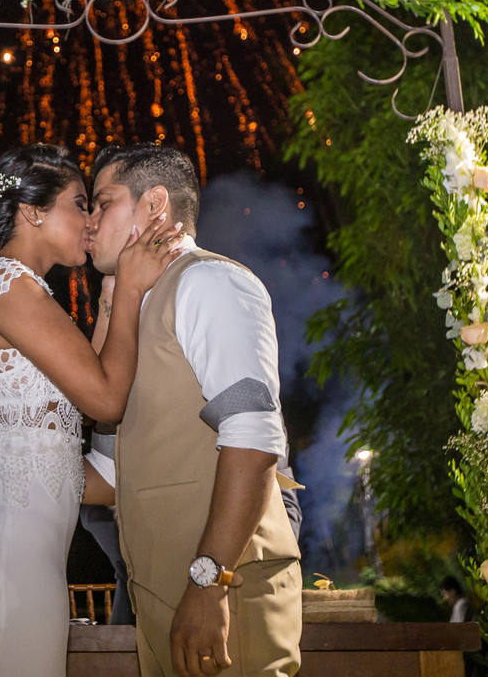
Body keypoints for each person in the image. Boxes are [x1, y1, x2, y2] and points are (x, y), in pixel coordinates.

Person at [0, 145, 181, 677]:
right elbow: (107, 397)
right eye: (80, 203)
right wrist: (131, 286)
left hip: (16, 550)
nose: (91, 220)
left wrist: (112, 282)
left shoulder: (11, 286)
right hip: (5, 554)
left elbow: (81, 397)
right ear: (32, 212)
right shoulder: (8, 285)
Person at [85, 145, 303, 677]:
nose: (87, 221)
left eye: (101, 203)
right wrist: (4, 464)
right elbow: (115, 475)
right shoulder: (140, 310)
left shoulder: (209, 281)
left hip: (224, 592)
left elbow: (253, 440)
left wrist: (209, 583)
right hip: (162, 596)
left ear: (155, 203)